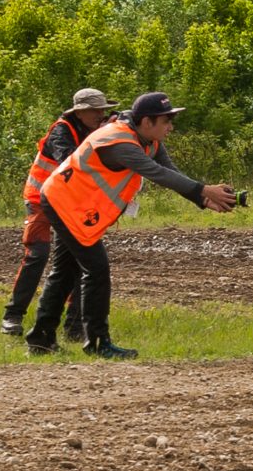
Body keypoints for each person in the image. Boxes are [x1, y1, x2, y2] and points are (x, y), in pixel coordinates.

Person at [24, 91, 238, 358]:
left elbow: (170, 171)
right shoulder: (121, 143)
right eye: (166, 120)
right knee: (96, 269)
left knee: (65, 272)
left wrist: (203, 199)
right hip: (63, 202)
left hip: (71, 203)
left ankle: (40, 338)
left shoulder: (149, 139)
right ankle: (98, 343)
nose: (171, 126)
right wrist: (206, 189)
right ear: (146, 122)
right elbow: (157, 174)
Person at [1, 88, 118, 338]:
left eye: (103, 111)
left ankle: (74, 327)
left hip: (71, 204)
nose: (101, 114)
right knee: (38, 255)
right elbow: (69, 160)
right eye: (96, 110)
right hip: (41, 198)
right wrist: (101, 136)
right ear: (80, 112)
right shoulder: (62, 130)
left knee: (77, 259)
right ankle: (13, 315)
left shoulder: (94, 129)